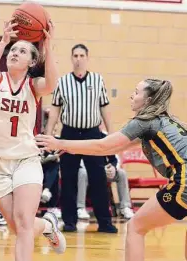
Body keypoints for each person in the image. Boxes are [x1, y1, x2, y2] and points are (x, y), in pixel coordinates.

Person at [36, 78, 187, 261]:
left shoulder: (145, 121)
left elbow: (103, 146)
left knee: (136, 227)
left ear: (147, 100)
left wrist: (59, 142)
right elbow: (112, 147)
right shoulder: (171, 123)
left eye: (136, 92)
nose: (132, 95)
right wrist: (65, 147)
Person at [0, 20, 66, 261]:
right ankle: (48, 226)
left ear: (32, 61)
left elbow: (51, 84)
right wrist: (3, 41)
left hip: (25, 160)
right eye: (14, 50)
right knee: (18, 227)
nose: (15, 53)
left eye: (23, 51)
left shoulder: (33, 86)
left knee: (24, 224)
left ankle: (42, 226)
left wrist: (49, 46)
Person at [45, 43, 117, 233]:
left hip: (93, 134)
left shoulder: (98, 80)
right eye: (75, 56)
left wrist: (111, 135)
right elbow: (54, 111)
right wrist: (47, 136)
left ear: (87, 58)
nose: (78, 59)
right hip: (69, 134)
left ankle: (105, 222)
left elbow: (104, 109)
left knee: (98, 179)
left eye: (81, 55)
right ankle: (69, 222)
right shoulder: (62, 82)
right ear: (71, 58)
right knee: (68, 179)